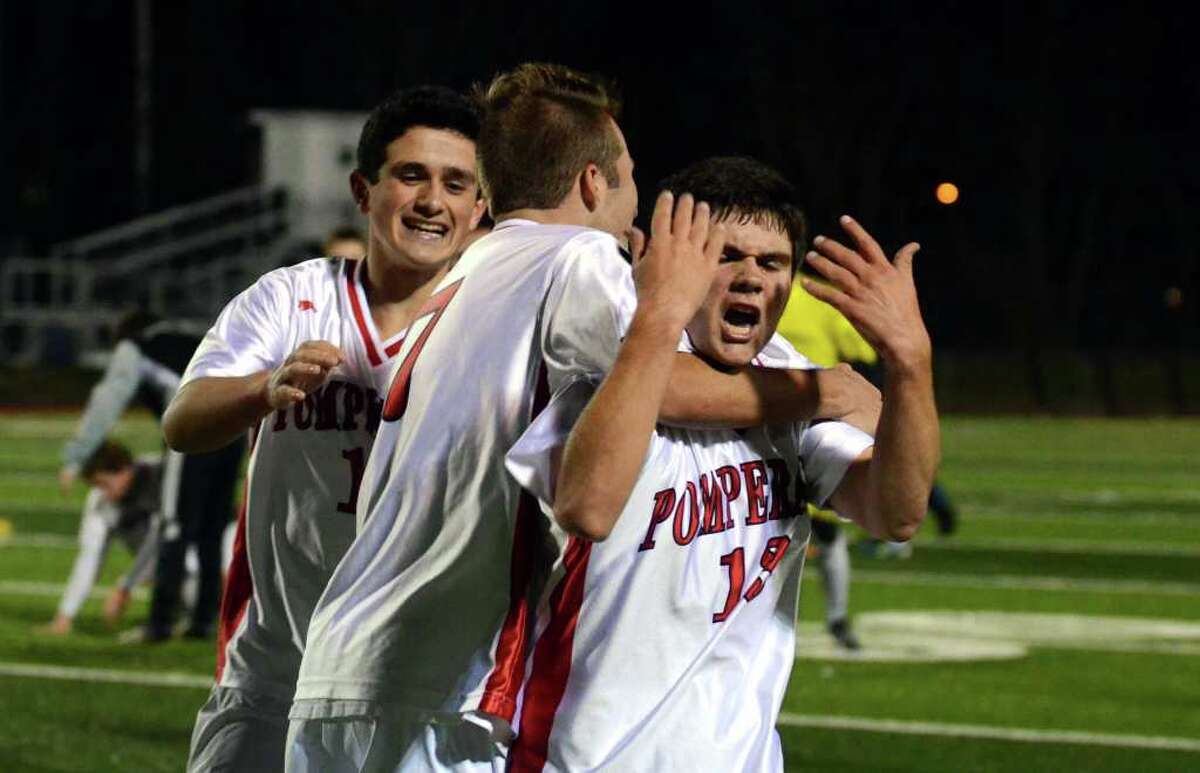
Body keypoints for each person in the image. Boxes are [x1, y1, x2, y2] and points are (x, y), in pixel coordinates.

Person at [287, 63, 881, 771]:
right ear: (594, 183)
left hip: (343, 663)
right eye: (629, 176)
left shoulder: (467, 270)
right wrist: (825, 391)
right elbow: (662, 381)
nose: (635, 201)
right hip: (440, 683)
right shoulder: (576, 257)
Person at [502, 156, 939, 771]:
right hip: (588, 757)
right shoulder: (610, 356)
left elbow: (895, 513)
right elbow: (587, 507)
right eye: (725, 256)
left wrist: (911, 363)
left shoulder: (789, 383)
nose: (751, 278)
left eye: (772, 263)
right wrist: (662, 314)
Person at [163, 86, 487, 772]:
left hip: (427, 690)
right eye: (411, 176)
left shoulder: (496, 319)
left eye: (456, 183)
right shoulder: (292, 297)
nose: (433, 201)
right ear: (363, 191)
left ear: (479, 207)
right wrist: (263, 389)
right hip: (276, 669)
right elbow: (183, 422)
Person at [58, 309, 243, 643]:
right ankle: (204, 621)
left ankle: (159, 624)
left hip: (194, 430)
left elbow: (110, 396)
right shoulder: (193, 335)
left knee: (174, 526)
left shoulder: (137, 346)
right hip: (234, 428)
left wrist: (77, 456)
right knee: (211, 529)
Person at [42, 440, 169, 634]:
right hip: (163, 565)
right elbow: (90, 558)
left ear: (126, 470)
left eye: (104, 483)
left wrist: (125, 586)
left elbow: (162, 537)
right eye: (95, 485)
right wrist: (65, 616)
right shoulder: (101, 501)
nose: (102, 492)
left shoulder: (162, 474)